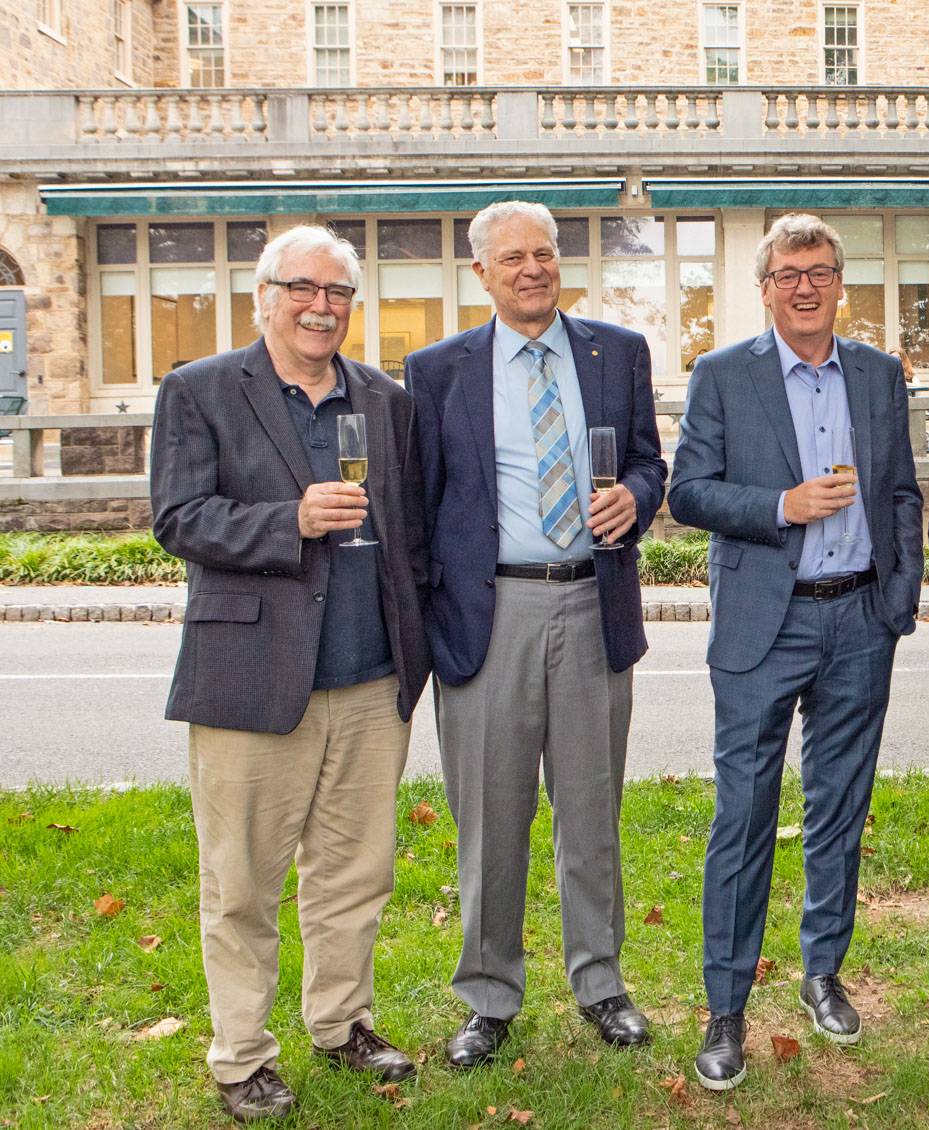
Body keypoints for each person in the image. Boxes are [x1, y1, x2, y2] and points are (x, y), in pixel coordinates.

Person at [150, 225, 430, 1122]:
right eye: (304, 288)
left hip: (368, 678)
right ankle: (240, 1056)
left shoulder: (384, 400)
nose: (321, 306)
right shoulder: (199, 391)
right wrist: (290, 521)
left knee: (354, 874)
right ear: (265, 296)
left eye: (339, 293)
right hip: (251, 678)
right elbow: (180, 518)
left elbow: (410, 533)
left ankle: (343, 1022)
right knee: (242, 883)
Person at [408, 201, 667, 1068]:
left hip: (592, 603)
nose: (533, 269)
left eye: (545, 254)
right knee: (492, 817)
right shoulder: (438, 370)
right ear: (480, 272)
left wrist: (637, 496)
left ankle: (600, 982)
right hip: (493, 614)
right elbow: (421, 505)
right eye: (513, 258)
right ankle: (489, 996)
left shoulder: (616, 353)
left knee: (592, 813)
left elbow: (648, 461)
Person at [668, 213, 923, 1090]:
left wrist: (897, 604)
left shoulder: (879, 375)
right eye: (788, 273)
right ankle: (726, 1007)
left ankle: (822, 973)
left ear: (839, 282)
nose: (804, 286)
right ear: (766, 287)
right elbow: (688, 492)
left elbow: (900, 493)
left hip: (857, 621)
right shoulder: (722, 375)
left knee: (837, 807)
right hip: (761, 625)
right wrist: (784, 505)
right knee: (742, 814)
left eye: (819, 271)